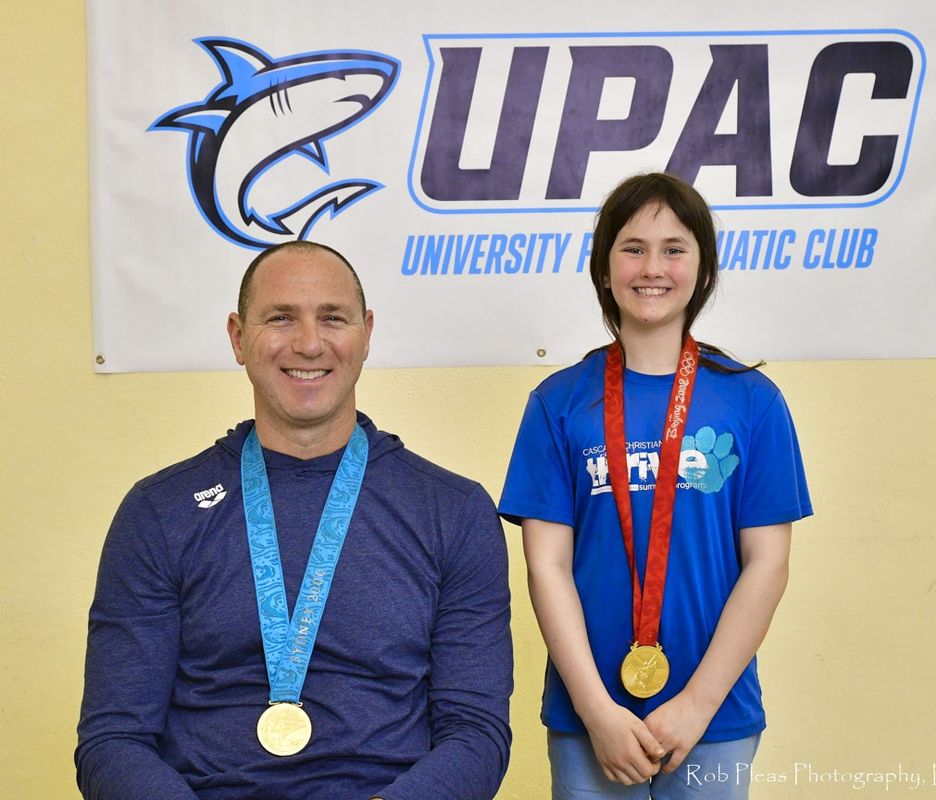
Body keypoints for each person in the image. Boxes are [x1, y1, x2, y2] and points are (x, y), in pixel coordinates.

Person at [76, 241, 513, 800]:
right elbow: (113, 740)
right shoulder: (159, 512)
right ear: (238, 337)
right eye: (280, 318)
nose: (309, 343)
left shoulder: (453, 511)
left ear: (366, 333)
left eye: (332, 318)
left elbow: (475, 732)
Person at [498, 173, 812, 799]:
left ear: (702, 268)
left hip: (714, 717)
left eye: (674, 248)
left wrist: (696, 705)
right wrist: (595, 710)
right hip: (591, 719)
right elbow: (547, 568)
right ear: (604, 267)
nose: (653, 267)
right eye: (632, 247)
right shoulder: (558, 404)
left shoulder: (753, 402)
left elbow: (768, 565)